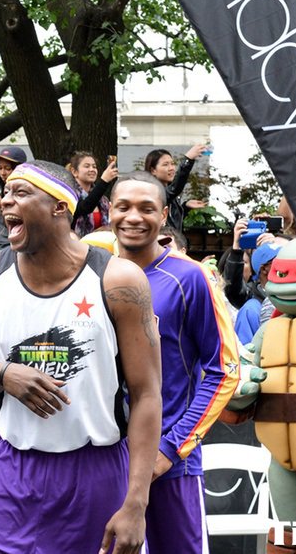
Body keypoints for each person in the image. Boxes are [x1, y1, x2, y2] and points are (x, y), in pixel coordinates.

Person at [0, 160, 162, 554]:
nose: (6, 201)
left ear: (60, 207)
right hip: (10, 466)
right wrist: (3, 374)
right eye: (6, 193)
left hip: (95, 469)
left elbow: (147, 394)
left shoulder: (119, 281)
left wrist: (137, 503)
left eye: (21, 192)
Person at [110, 171, 239, 554]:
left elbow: (225, 371)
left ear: (164, 214)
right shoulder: (94, 274)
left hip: (169, 462)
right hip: (104, 458)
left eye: (146, 208)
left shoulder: (191, 277)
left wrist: (172, 447)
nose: (133, 217)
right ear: (110, 210)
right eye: (123, 207)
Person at [144, 143, 208, 232]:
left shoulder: (170, 193)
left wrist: (185, 207)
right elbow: (175, 188)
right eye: (165, 164)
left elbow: (173, 221)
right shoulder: (154, 192)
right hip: (163, 240)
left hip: (173, 239)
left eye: (172, 164)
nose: (171, 168)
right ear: (153, 170)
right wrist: (188, 160)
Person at [67, 151, 118, 238]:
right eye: (87, 166)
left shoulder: (103, 200)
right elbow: (84, 208)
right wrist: (104, 181)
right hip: (76, 243)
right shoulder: (69, 194)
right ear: (74, 171)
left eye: (94, 167)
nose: (92, 169)